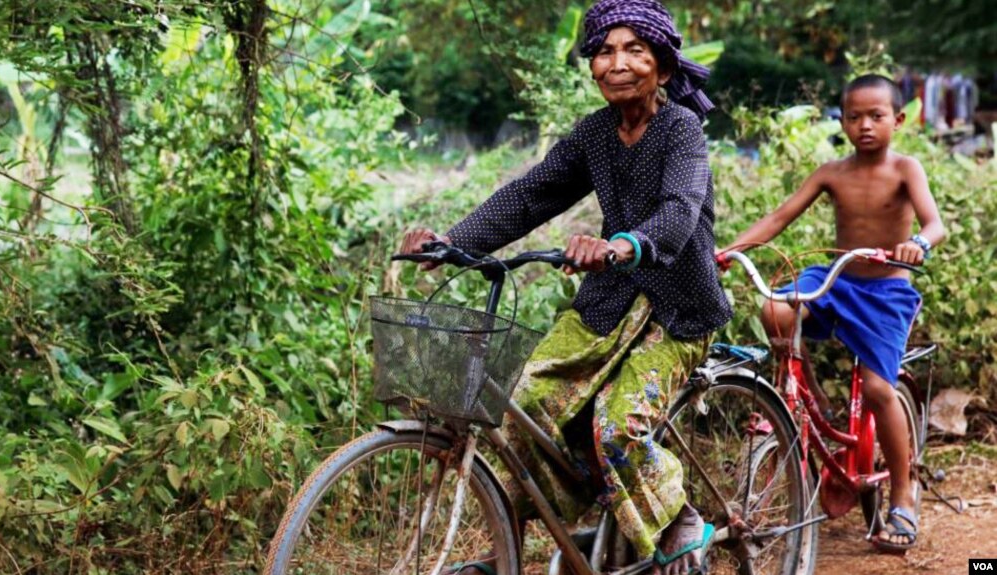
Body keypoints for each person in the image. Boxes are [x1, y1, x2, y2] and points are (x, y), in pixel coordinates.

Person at [398, 1, 731, 573]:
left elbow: (678, 214)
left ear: (665, 69)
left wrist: (622, 245)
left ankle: (675, 516)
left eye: (634, 51)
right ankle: (577, 518)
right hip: (607, 304)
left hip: (679, 309)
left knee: (618, 428)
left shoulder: (683, 131)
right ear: (592, 66)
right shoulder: (597, 134)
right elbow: (532, 195)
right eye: (604, 51)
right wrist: (453, 243)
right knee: (523, 405)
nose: (617, 63)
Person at [718, 74, 946, 552]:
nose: (865, 125)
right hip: (836, 279)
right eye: (854, 116)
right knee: (775, 308)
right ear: (841, 122)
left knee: (882, 389)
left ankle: (902, 493)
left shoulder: (906, 168)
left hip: (885, 289)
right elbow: (780, 217)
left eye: (877, 116)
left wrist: (918, 244)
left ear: (897, 120)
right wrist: (727, 251)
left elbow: (934, 222)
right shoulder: (831, 172)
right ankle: (812, 400)